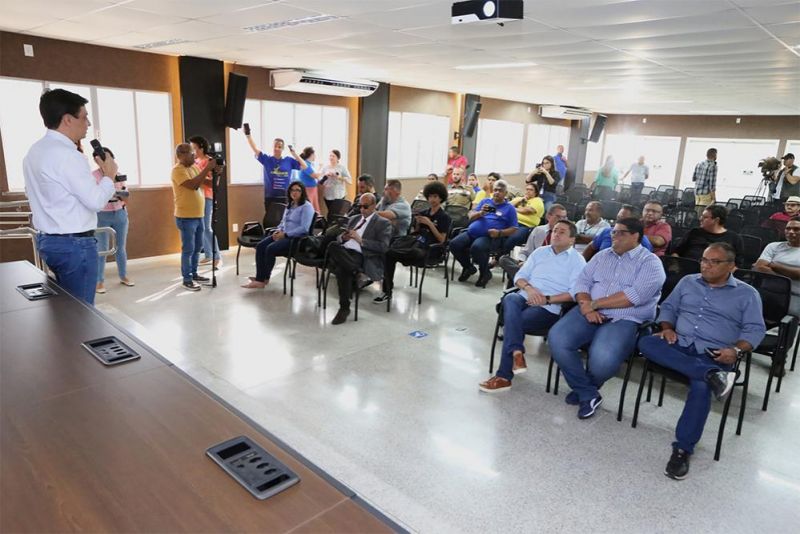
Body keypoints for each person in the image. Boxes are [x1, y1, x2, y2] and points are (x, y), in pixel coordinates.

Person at [638, 243, 765, 480]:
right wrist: (667, 327)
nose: (706, 266)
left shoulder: (747, 294)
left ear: (732, 266)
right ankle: (712, 375)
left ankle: (682, 449)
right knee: (646, 342)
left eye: (714, 262)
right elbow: (669, 307)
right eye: (704, 260)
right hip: (680, 342)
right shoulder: (688, 282)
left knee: (701, 388)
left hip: (715, 353)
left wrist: (735, 350)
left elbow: (755, 330)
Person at [548, 218, 665, 419]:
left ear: (636, 236)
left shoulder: (651, 263)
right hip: (589, 310)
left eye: (620, 232)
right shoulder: (602, 255)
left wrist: (595, 304)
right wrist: (586, 307)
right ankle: (587, 392)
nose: (614, 236)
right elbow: (581, 283)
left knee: (602, 360)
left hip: (625, 318)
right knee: (557, 338)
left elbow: (633, 297)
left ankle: (584, 389)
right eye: (613, 232)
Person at [23, 88, 117, 305]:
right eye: (84, 117)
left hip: (48, 241)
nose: (88, 123)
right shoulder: (68, 155)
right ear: (67, 119)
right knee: (81, 312)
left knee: (65, 309)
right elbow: (96, 201)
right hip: (75, 245)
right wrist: (109, 176)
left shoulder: (34, 152)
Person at [479, 220, 586, 393]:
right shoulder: (540, 252)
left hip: (549, 306)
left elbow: (575, 293)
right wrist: (529, 289)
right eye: (555, 230)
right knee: (511, 298)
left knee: (514, 323)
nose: (556, 234)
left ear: (572, 239)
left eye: (562, 232)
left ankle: (504, 376)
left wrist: (546, 299)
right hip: (525, 296)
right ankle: (516, 352)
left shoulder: (577, 261)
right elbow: (520, 277)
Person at [373, 181, 451, 303]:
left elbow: (442, 239)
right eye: (430, 196)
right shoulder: (424, 213)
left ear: (441, 198)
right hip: (417, 243)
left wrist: (430, 224)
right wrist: (418, 225)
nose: (432, 199)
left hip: (431, 249)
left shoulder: (444, 217)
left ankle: (403, 255)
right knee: (388, 254)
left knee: (414, 252)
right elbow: (416, 233)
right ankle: (387, 291)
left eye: (435, 196)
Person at [326, 193, 392, 325]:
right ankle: (357, 272)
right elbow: (339, 238)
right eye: (359, 206)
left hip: (362, 255)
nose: (362, 209)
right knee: (333, 244)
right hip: (344, 252)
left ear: (374, 206)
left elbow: (384, 247)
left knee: (342, 270)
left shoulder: (383, 223)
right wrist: (343, 238)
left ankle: (344, 308)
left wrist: (361, 240)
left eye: (365, 206)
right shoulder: (354, 219)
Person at [241, 182, 315, 289]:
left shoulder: (306, 207)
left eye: (298, 190)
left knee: (270, 249)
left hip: (296, 239)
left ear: (302, 192)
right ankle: (261, 277)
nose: (294, 192)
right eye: (292, 190)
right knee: (261, 246)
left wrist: (285, 234)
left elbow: (304, 228)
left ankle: (263, 279)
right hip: (283, 234)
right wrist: (278, 231)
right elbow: (283, 222)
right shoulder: (290, 205)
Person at [450, 179, 518, 288]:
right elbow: (470, 216)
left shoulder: (510, 209)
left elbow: (514, 228)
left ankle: (485, 273)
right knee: (454, 244)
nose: (497, 192)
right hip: (471, 232)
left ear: (505, 193)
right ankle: (468, 267)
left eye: (500, 190)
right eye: (495, 190)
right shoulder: (485, 201)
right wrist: (481, 213)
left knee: (477, 247)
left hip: (490, 237)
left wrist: (499, 233)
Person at [171, 143, 218, 291]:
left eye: (193, 153)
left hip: (199, 215)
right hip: (185, 217)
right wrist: (207, 168)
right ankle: (187, 279)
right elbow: (193, 185)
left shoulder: (194, 167)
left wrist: (217, 173)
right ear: (180, 155)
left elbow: (209, 184)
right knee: (188, 249)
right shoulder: (177, 170)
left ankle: (194, 274)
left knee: (198, 248)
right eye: (191, 153)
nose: (194, 156)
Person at [94, 147, 133, 294]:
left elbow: (127, 197)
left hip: (120, 213)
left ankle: (123, 276)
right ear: (97, 160)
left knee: (120, 247)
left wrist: (120, 195)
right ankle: (99, 281)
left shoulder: (119, 175)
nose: (107, 161)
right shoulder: (93, 176)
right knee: (102, 248)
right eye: (103, 158)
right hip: (102, 215)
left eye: (110, 158)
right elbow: (94, 197)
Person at [244, 131, 301, 216]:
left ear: (283, 149)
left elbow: (304, 166)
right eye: (275, 146)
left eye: (279, 147)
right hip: (270, 196)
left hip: (285, 196)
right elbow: (255, 149)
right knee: (270, 220)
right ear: (272, 147)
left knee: (285, 219)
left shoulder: (289, 160)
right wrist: (248, 136)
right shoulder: (267, 159)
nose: (277, 148)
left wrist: (295, 154)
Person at [672, 205, 744, 266]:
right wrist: (676, 265)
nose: (700, 219)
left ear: (716, 220)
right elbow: (676, 252)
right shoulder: (694, 232)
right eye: (701, 216)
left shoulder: (734, 239)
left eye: (705, 217)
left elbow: (736, 265)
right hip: (686, 270)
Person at [755, 218, 800, 316]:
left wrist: (773, 265)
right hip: (767, 291)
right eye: (788, 228)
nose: (791, 232)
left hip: (795, 295)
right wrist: (786, 279)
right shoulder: (773, 246)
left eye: (796, 229)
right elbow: (759, 267)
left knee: (789, 321)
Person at [188, 136, 221, 268]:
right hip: (196, 197)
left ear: (201, 147)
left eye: (194, 148)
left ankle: (217, 257)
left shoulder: (210, 161)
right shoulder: (194, 162)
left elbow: (214, 183)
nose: (192, 151)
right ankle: (208, 255)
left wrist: (198, 179)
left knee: (207, 228)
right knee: (200, 228)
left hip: (207, 197)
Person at [582, 205, 654, 261]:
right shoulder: (607, 232)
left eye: (623, 219)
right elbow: (591, 247)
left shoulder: (642, 242)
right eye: (618, 218)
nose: (618, 221)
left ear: (635, 222)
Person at [504, 183, 545, 253]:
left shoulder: (537, 200)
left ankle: (502, 255)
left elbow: (527, 211)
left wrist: (513, 209)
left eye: (531, 190)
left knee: (514, 238)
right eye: (527, 189)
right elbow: (506, 206)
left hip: (524, 226)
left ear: (535, 192)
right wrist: (519, 200)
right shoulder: (520, 199)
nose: (528, 191)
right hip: (510, 222)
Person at [319, 149, 352, 216]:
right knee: (330, 213)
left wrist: (339, 177)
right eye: (330, 156)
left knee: (338, 214)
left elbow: (349, 180)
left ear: (338, 158)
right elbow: (320, 181)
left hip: (339, 194)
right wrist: (326, 176)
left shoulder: (342, 167)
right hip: (328, 194)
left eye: (333, 156)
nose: (331, 158)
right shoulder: (325, 167)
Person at [292, 146, 322, 213]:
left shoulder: (310, 164)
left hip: (312, 189)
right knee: (309, 210)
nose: (315, 156)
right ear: (311, 154)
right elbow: (315, 175)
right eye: (314, 154)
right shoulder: (305, 164)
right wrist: (321, 169)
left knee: (314, 209)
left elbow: (314, 175)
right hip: (308, 190)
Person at [692, 148, 718, 216]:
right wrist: (714, 198)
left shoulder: (699, 164)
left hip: (697, 193)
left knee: (696, 213)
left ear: (706, 155)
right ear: (715, 156)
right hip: (705, 195)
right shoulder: (713, 166)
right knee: (703, 216)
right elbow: (712, 185)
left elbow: (693, 178)